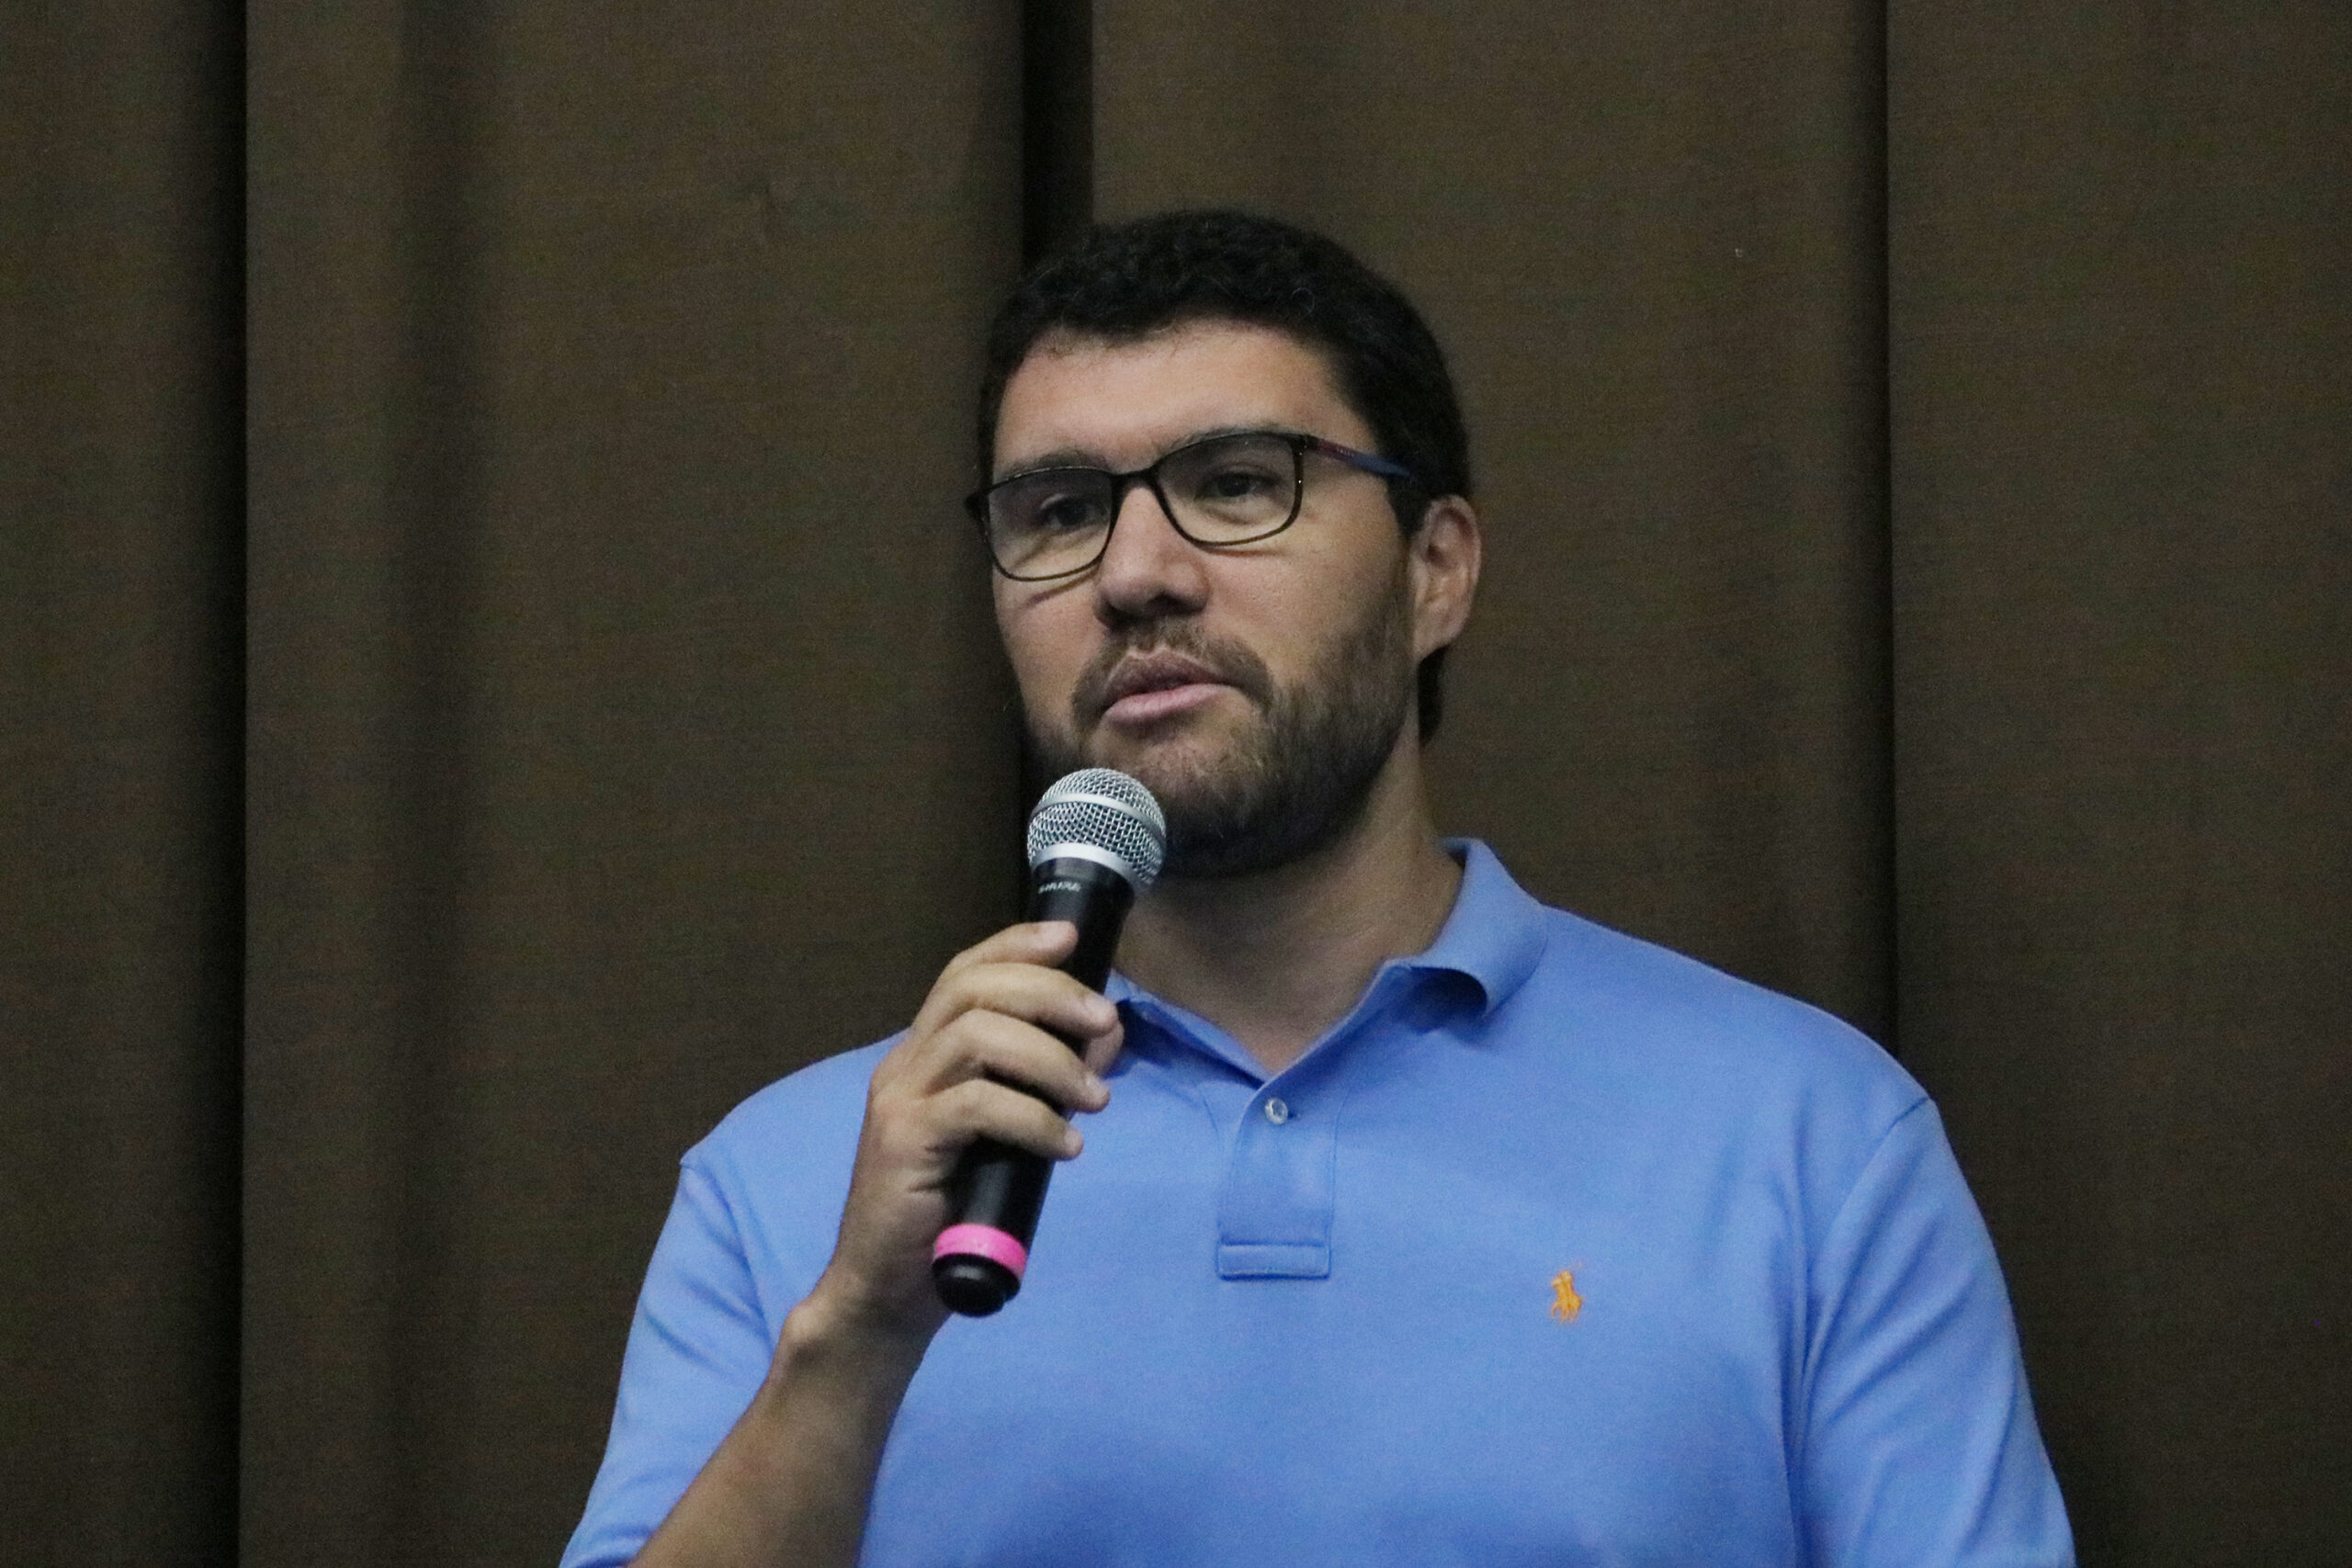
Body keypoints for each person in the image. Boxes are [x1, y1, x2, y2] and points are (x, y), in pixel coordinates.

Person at [562, 210, 2074, 1568]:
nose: (1135, 574)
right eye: (1060, 513)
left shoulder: (1810, 1145)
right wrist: (853, 1338)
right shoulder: (795, 1186)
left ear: (1436, 570)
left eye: (1236, 486)